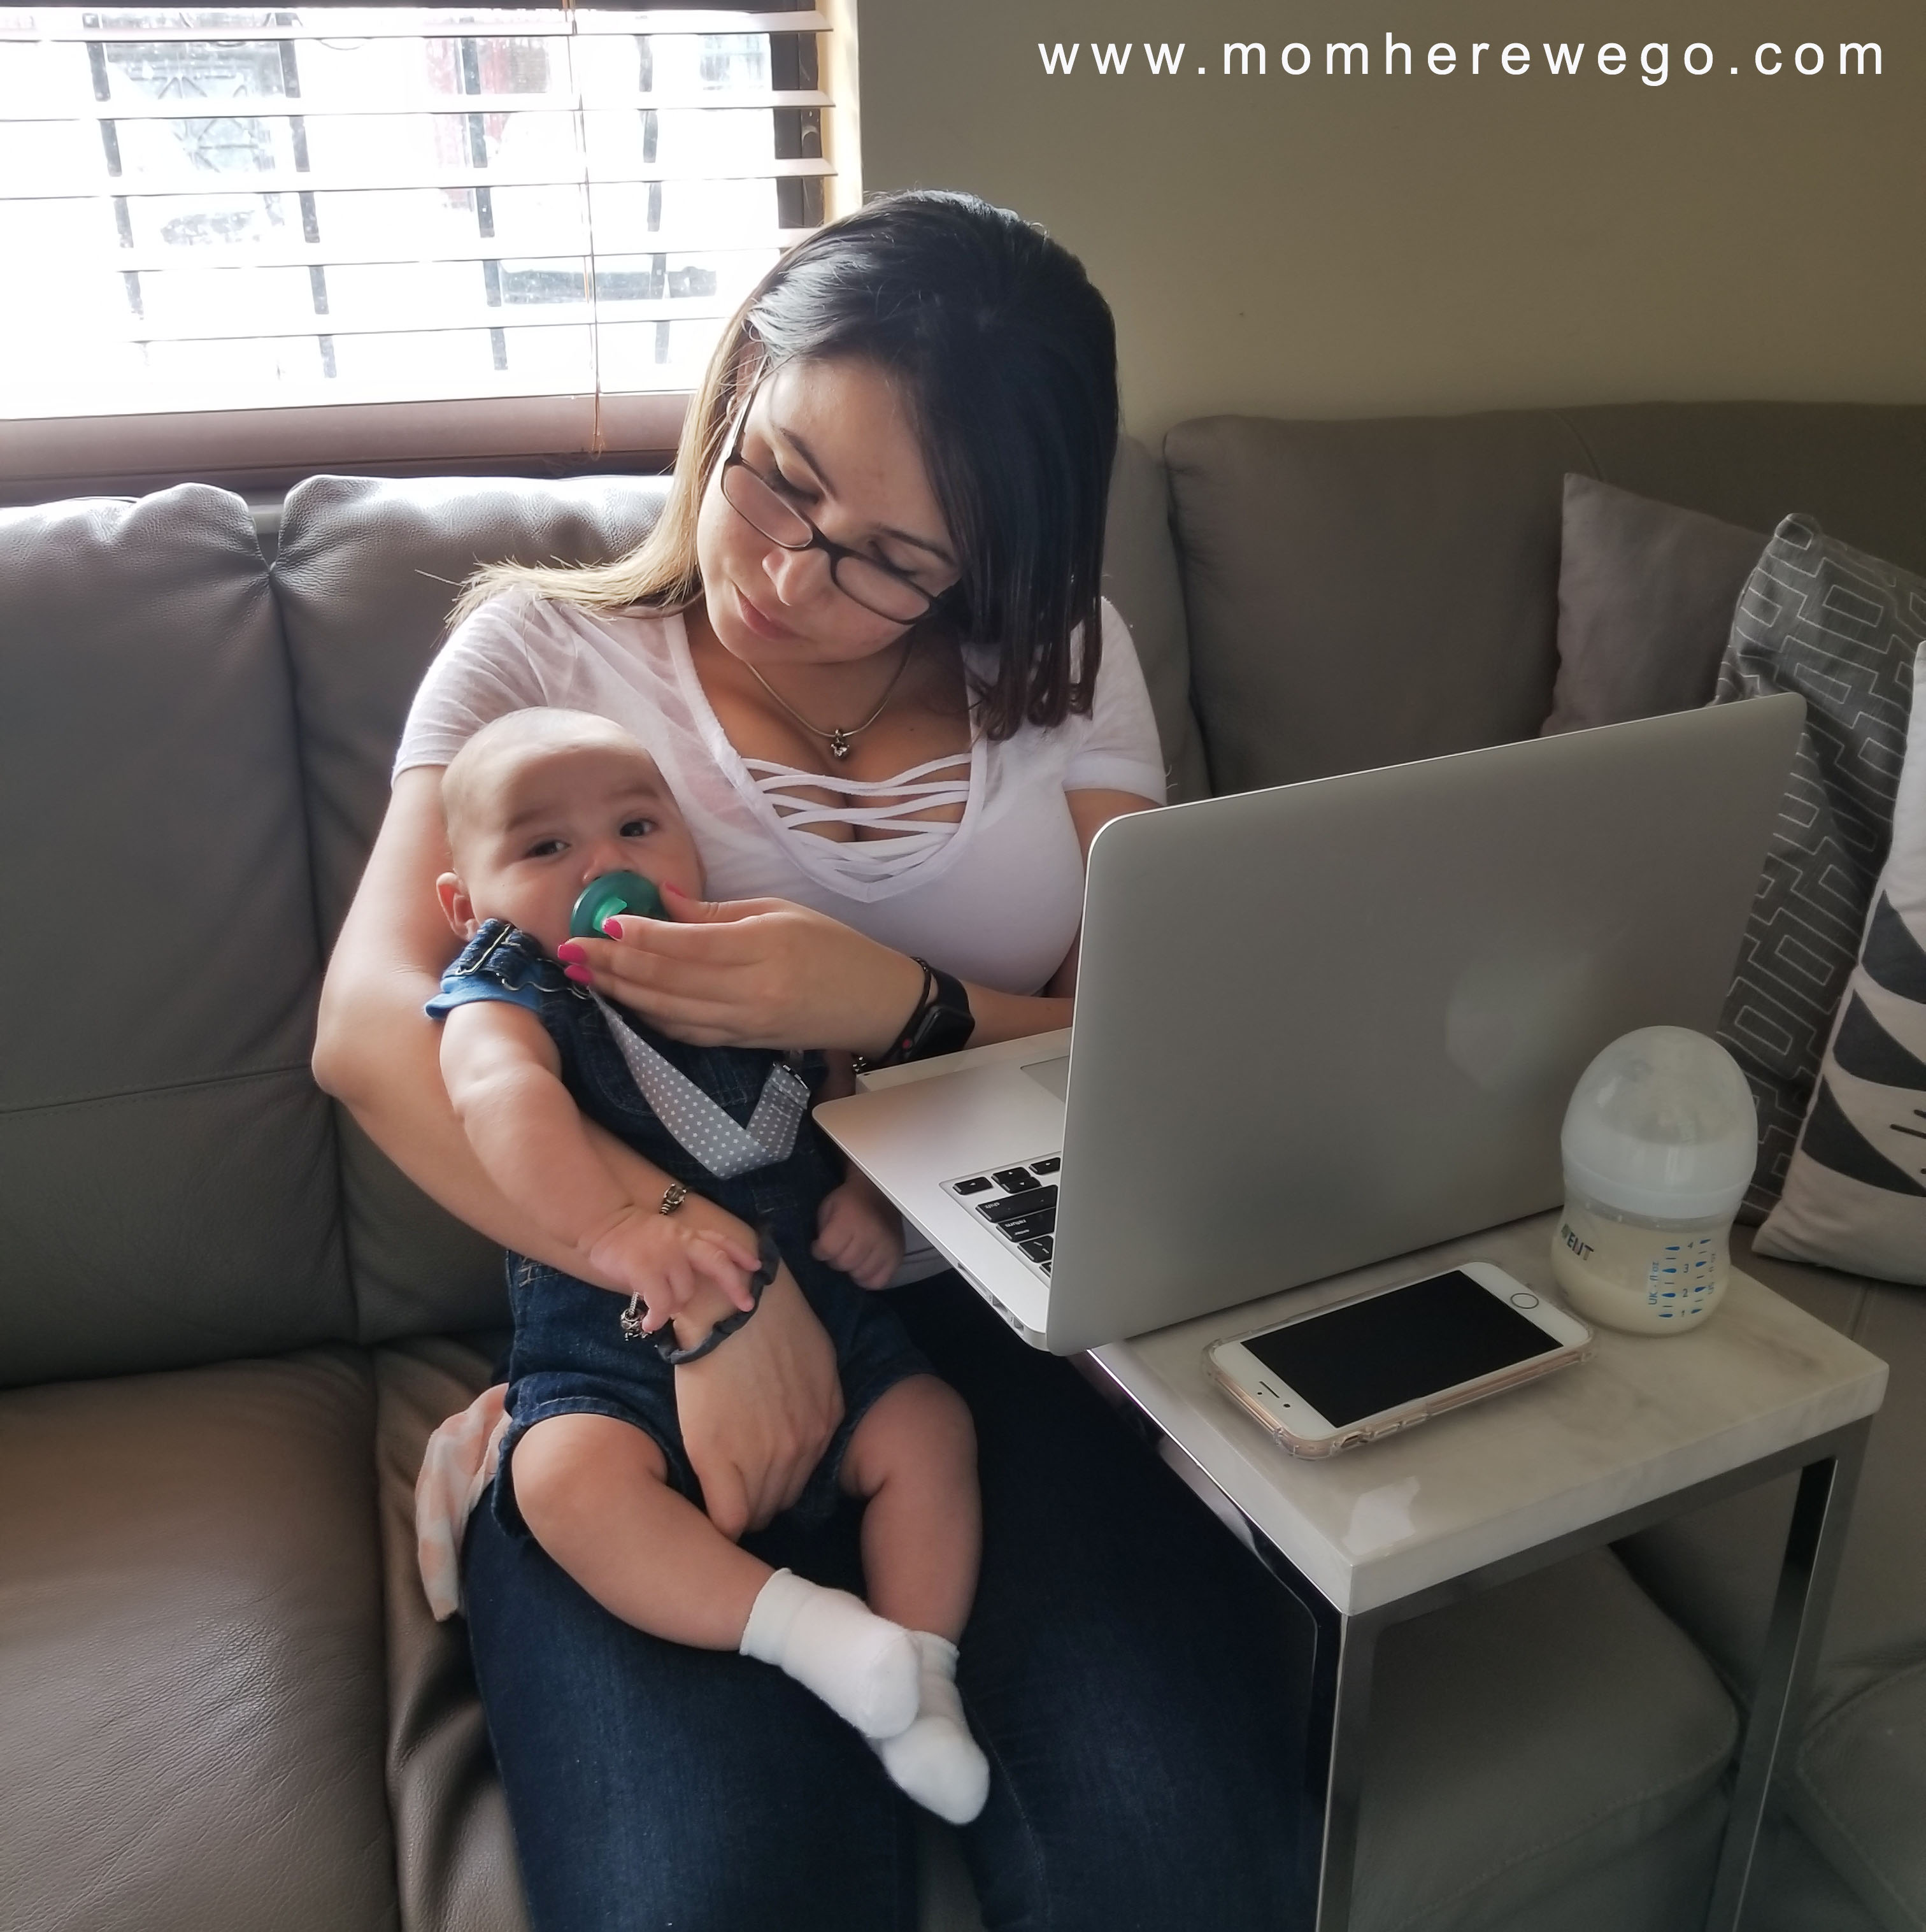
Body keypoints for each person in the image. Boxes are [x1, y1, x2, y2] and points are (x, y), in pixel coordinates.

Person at [315, 188, 1307, 1931]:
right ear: (739, 386)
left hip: (973, 1311)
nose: (787, 573)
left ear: (995, 560)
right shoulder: (539, 657)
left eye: (889, 558)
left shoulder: (1065, 671)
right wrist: (704, 1283)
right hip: (634, 1334)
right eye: (777, 477)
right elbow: (375, 1031)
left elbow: (1152, 1041)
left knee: (1182, 1861)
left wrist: (903, 1005)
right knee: (711, 1898)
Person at [425, 706, 988, 1822]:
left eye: (637, 827)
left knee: (931, 1430)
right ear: (463, 902)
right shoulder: (512, 985)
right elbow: (497, 1095)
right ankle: (812, 1635)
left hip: (821, 1316)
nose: (603, 863)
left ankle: (922, 1674)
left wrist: (867, 1191)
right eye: (545, 845)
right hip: (609, 1347)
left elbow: (839, 1069)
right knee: (562, 1482)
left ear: (689, 846)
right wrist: (615, 1228)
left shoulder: (741, 953)